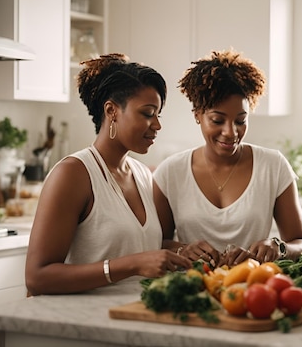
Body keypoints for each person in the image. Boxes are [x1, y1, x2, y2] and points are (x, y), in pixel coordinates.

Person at [25, 54, 191, 296]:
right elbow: (37, 277)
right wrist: (132, 264)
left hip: (130, 318)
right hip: (81, 322)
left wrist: (181, 251)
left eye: (158, 115)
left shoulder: (142, 175)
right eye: (147, 113)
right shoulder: (73, 174)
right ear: (112, 111)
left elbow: (135, 246)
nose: (157, 125)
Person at [153, 50, 302, 267]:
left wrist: (278, 247)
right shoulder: (170, 172)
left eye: (240, 120)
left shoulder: (273, 166)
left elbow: (300, 243)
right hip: (191, 289)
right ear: (197, 115)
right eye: (217, 120)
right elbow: (154, 243)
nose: (231, 132)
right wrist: (184, 249)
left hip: (254, 289)